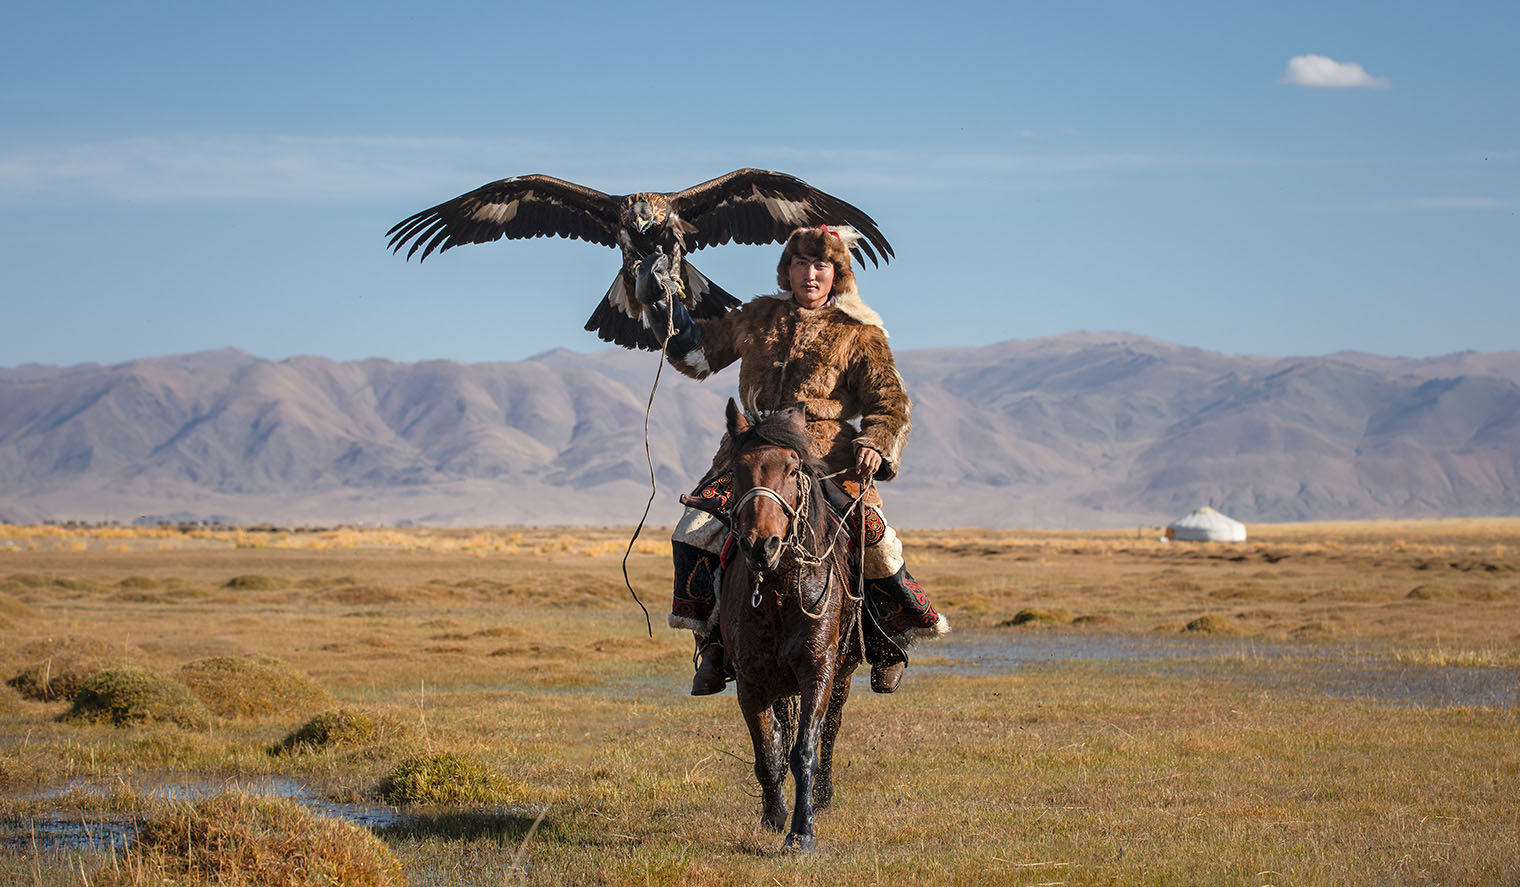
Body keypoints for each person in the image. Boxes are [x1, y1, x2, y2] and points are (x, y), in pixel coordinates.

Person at [640, 225, 947, 695]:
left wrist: (877, 442)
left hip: (826, 457)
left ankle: (886, 640)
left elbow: (891, 403)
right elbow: (698, 353)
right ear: (787, 270)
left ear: (837, 275)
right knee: (694, 531)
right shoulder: (756, 316)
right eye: (801, 263)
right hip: (751, 454)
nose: (810, 273)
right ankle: (714, 644)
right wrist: (663, 306)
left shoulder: (858, 335)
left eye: (821, 265)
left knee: (873, 537)